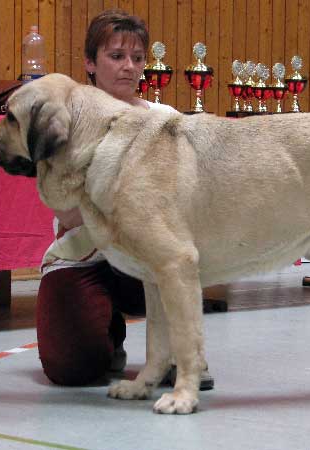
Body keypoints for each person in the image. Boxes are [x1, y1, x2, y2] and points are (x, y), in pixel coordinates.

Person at [35, 9, 214, 390]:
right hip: (83, 256)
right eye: (116, 57)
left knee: (176, 260)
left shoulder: (165, 119)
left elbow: (186, 200)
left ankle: (183, 353)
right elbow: (67, 213)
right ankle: (107, 331)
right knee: (72, 369)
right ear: (90, 62)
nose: (129, 67)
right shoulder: (64, 122)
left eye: (136, 58)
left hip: (147, 254)